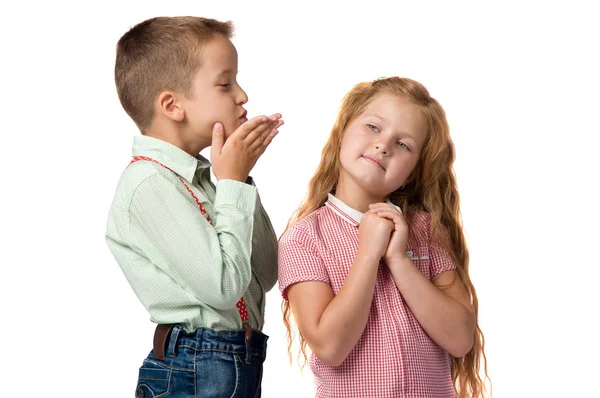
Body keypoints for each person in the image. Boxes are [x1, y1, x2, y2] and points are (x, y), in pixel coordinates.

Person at [278, 77, 489, 397]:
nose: (384, 145)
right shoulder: (305, 239)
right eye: (373, 127)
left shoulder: (425, 231)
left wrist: (399, 259)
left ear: (412, 173)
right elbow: (330, 346)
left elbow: (461, 339)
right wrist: (367, 254)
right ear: (343, 130)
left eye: (404, 144)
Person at [105, 16, 282, 397]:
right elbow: (222, 288)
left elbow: (266, 274)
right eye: (225, 83)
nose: (242, 96)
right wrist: (232, 183)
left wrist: (240, 181)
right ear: (172, 105)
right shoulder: (149, 183)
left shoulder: (206, 179)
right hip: (195, 366)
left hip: (236, 360)